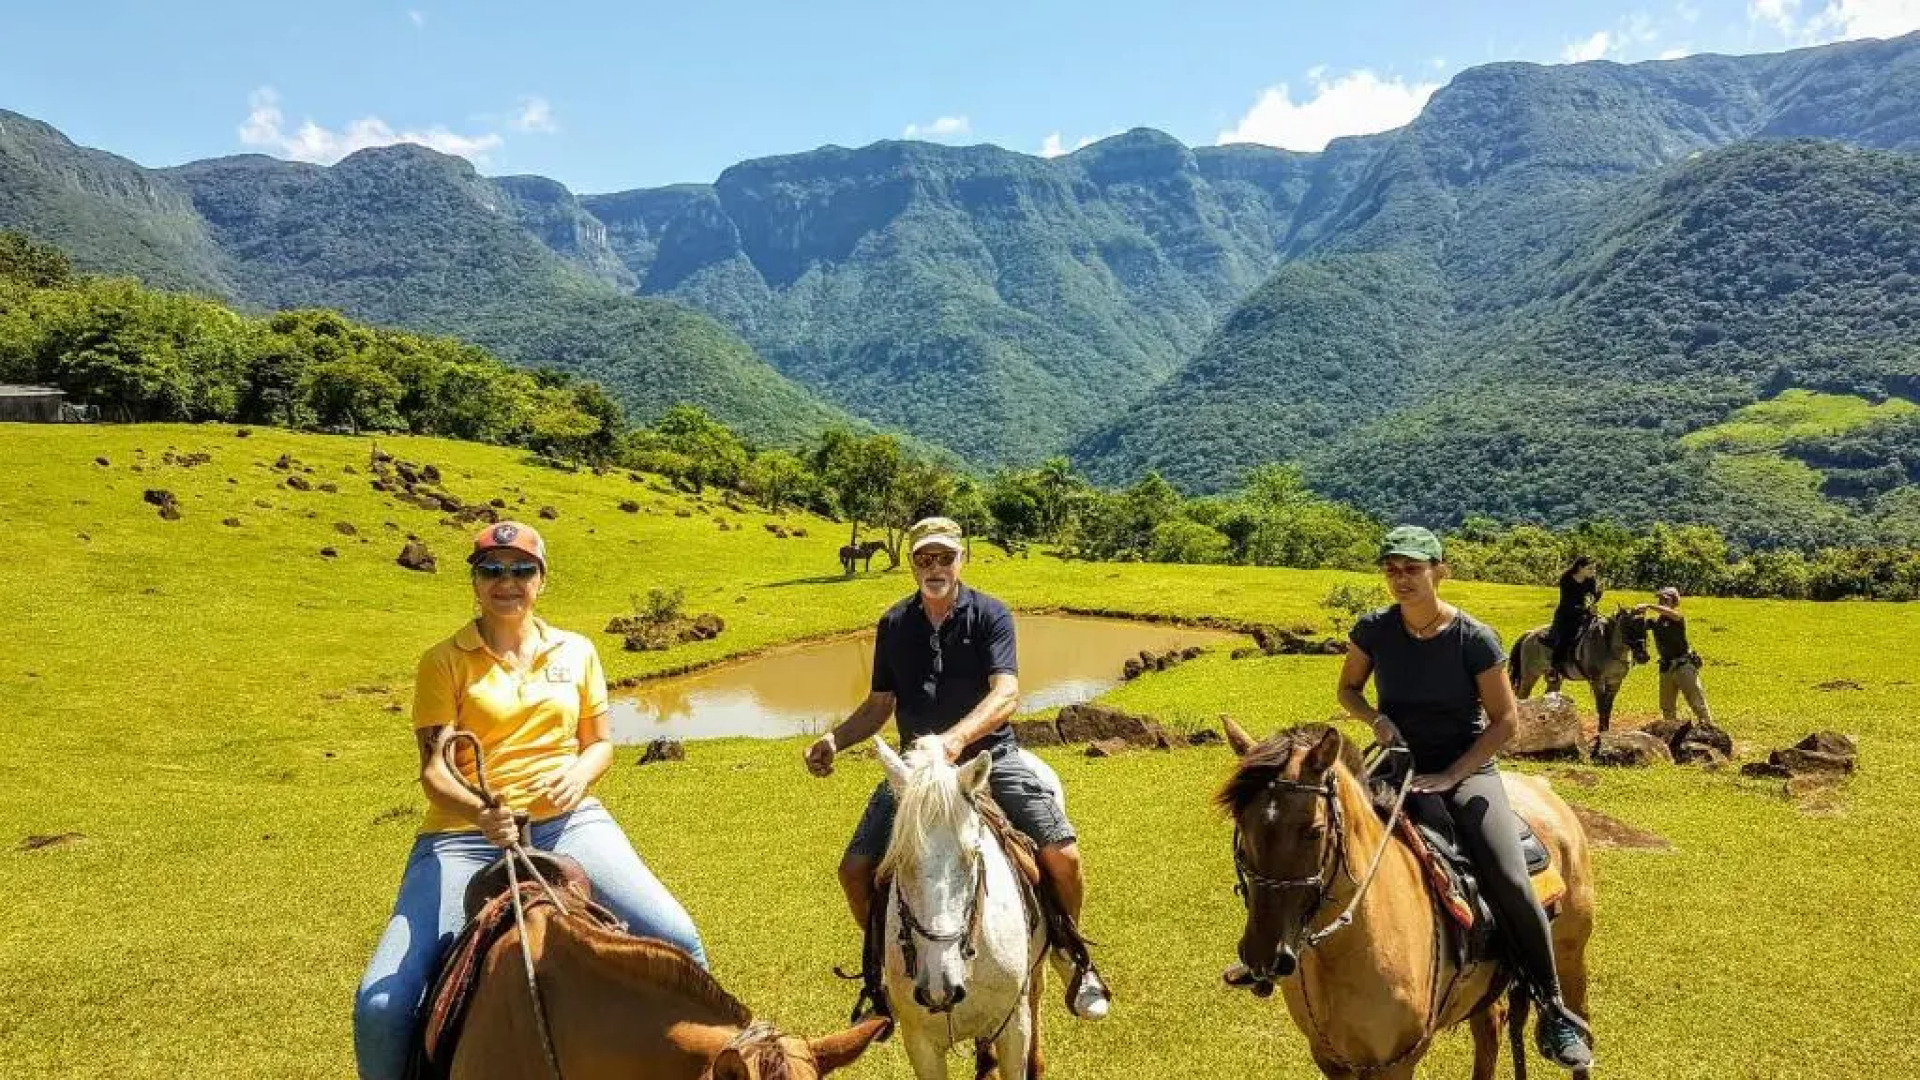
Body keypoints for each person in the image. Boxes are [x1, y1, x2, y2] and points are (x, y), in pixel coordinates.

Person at [352, 521, 707, 1080]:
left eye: (521, 570)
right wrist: (478, 812)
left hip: (570, 823)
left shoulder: (579, 651)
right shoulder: (443, 661)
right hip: (463, 836)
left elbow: (600, 745)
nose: (507, 582)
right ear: (474, 582)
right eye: (492, 570)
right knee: (381, 1005)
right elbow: (435, 769)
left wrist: (578, 774)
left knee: (676, 935)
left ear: (541, 580)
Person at [803, 516, 1112, 1022]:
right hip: (916, 773)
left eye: (945, 557)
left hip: (990, 759)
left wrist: (956, 740)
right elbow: (880, 703)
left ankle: (1070, 953)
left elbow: (1006, 692)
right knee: (855, 870)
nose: (935, 567)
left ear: (961, 560)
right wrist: (835, 739)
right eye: (925, 558)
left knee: (1064, 855)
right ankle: (882, 971)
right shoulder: (894, 624)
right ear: (912, 566)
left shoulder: (990, 614)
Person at [1344, 525, 1591, 1069]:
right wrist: (1377, 718)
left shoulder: (1474, 638)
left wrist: (1453, 774)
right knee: (1336, 844)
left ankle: (1553, 1009)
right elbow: (1348, 690)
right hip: (1399, 765)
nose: (1401, 578)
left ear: (1439, 570)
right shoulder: (1374, 631)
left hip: (1470, 766)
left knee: (1506, 872)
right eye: (1392, 569)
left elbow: (1505, 722)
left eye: (1412, 568)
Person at [1636, 586, 1713, 725]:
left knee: (1697, 703)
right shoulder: (1655, 622)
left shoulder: (1677, 617)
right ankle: (1672, 734)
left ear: (1674, 602)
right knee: (1667, 707)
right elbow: (1637, 626)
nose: (1661, 602)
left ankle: (1710, 731)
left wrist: (1648, 605)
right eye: (1660, 599)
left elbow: (1671, 613)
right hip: (1666, 667)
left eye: (1665, 600)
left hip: (1683, 665)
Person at [1548, 556, 1602, 679]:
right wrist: (1585, 609)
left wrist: (1598, 595)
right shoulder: (1566, 579)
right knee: (1564, 637)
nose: (1592, 571)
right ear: (1580, 568)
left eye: (1594, 569)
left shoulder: (1590, 580)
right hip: (1566, 614)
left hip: (1584, 613)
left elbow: (1591, 597)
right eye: (1589, 568)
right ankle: (1554, 668)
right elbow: (1568, 602)